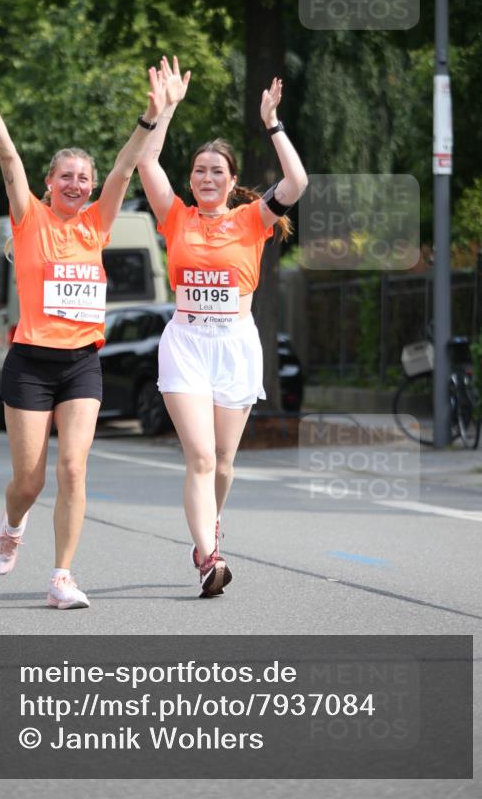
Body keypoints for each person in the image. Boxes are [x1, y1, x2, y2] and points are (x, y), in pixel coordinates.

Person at [0, 42, 172, 609]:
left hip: (81, 364)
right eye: (66, 176)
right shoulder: (30, 219)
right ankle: (13, 522)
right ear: (49, 183)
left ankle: (62, 577)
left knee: (74, 467)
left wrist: (154, 115)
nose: (76, 184)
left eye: (84, 178)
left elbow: (126, 164)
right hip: (29, 364)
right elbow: (7, 158)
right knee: (32, 481)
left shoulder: (96, 224)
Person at [137, 56, 308, 598]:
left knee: (226, 463)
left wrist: (272, 124)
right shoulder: (175, 217)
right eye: (199, 171)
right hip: (186, 342)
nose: (206, 178)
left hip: (234, 344)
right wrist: (163, 110)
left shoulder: (252, 218)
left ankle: (209, 525)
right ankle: (210, 559)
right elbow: (145, 163)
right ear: (190, 180)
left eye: (217, 171)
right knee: (201, 456)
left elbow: (297, 181)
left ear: (232, 181)